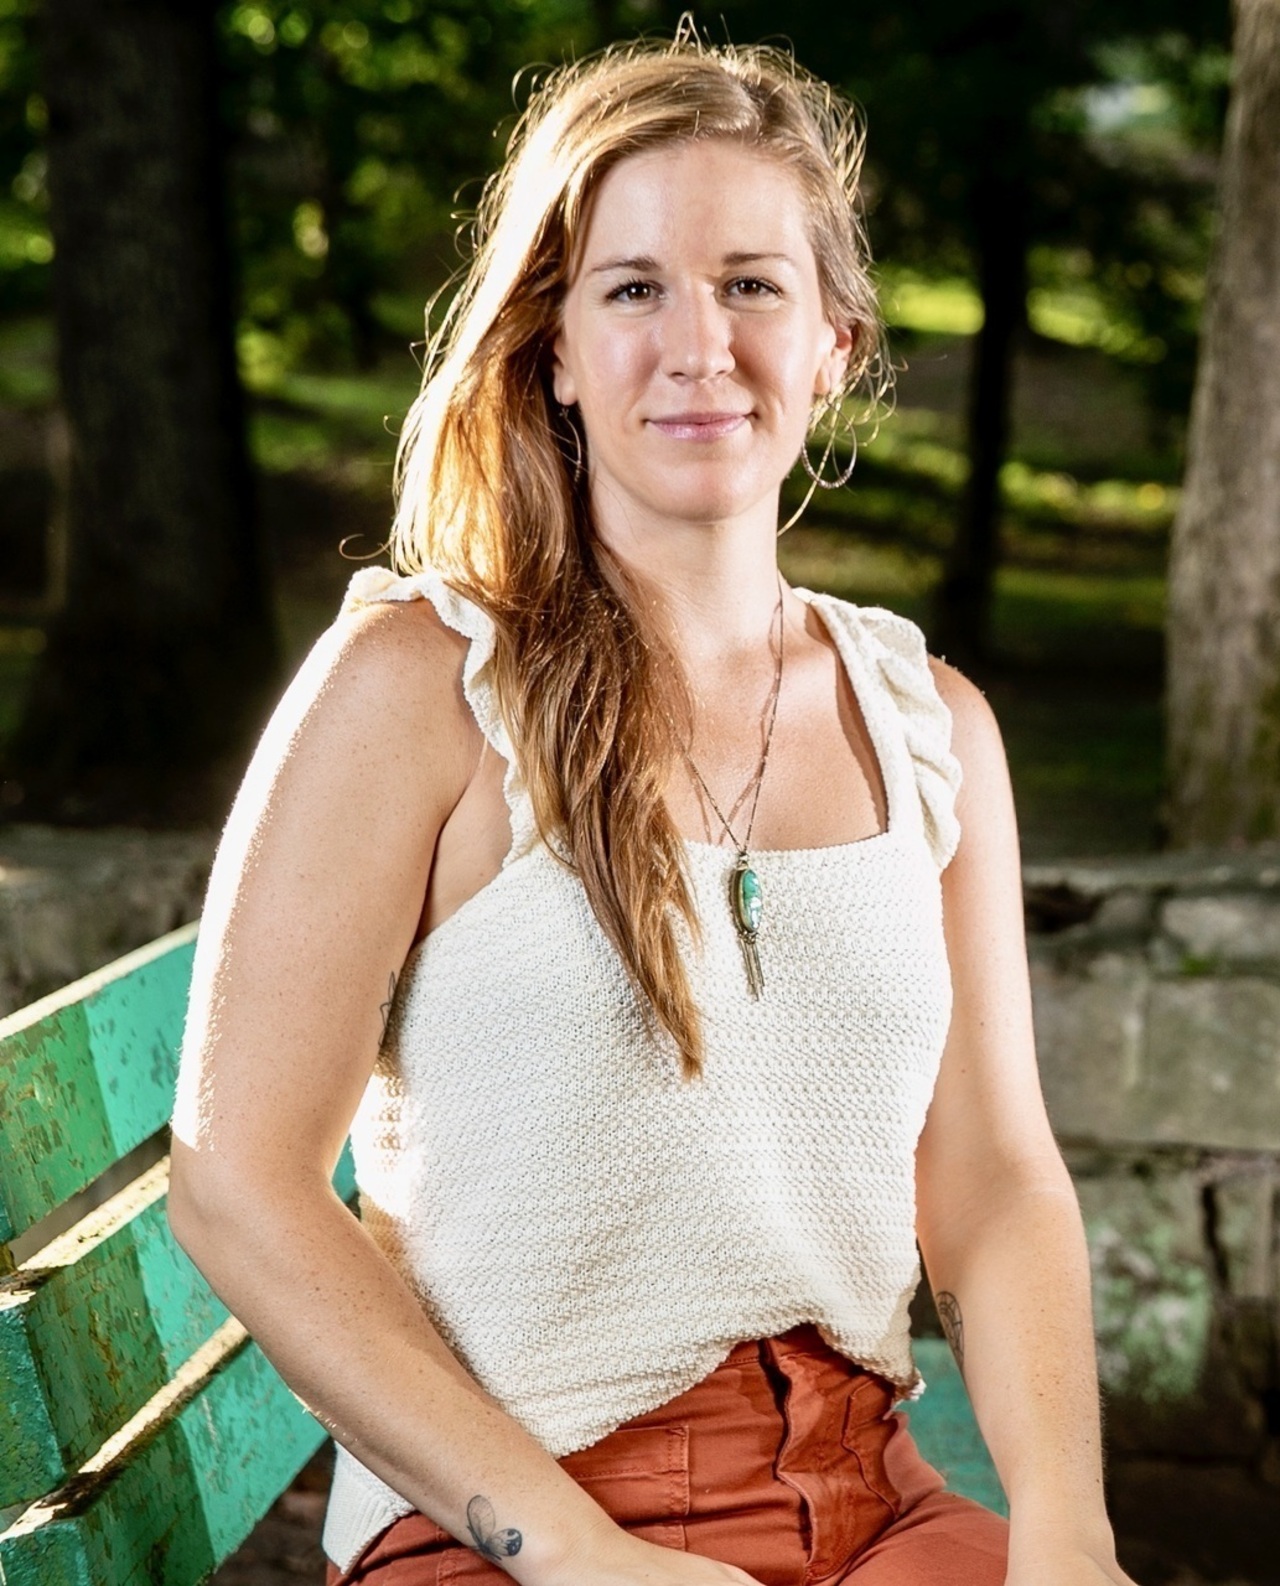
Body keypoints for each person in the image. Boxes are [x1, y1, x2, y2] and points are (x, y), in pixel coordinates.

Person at [169, 30, 1139, 1586]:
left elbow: (995, 1177)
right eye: (633, 289)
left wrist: (1069, 1537)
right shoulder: (425, 687)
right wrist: (573, 1549)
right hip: (509, 1522)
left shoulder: (928, 725)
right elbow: (238, 1182)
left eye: (751, 283)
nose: (700, 344)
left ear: (833, 342)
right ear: (554, 347)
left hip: (868, 1504)